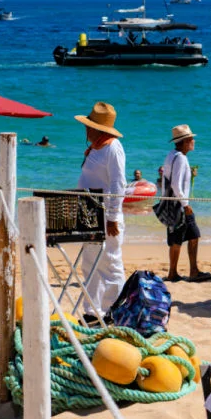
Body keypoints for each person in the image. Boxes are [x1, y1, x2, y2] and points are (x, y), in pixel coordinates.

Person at [75, 102, 126, 318]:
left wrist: (113, 216)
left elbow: (118, 183)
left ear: (99, 129)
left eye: (89, 125)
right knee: (90, 262)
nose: (86, 129)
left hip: (105, 213)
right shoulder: (97, 147)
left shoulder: (112, 148)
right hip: (89, 211)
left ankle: (113, 309)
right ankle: (92, 311)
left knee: (110, 262)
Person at [162, 124, 210, 283]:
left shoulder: (172, 155)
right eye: (191, 139)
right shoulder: (181, 158)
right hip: (179, 204)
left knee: (191, 235)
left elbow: (167, 179)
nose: (193, 142)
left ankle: (183, 271)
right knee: (182, 237)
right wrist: (185, 204)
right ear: (184, 142)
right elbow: (176, 184)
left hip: (172, 202)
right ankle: (177, 273)